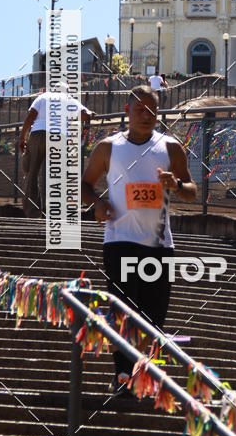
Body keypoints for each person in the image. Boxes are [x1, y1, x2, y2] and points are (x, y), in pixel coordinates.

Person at [81, 85, 196, 395]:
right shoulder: (108, 147)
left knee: (153, 315)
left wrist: (176, 184)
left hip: (160, 245)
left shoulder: (171, 147)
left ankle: (142, 374)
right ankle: (122, 375)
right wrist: (98, 203)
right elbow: (84, 184)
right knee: (122, 312)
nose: (145, 115)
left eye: (151, 110)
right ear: (127, 111)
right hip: (120, 241)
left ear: (158, 114)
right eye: (139, 110)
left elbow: (192, 191)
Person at [19, 83, 94, 217]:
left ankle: (33, 212)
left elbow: (30, 117)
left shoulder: (43, 97)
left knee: (32, 173)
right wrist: (90, 115)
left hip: (38, 134)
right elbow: (85, 114)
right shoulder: (69, 99)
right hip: (59, 137)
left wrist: (22, 138)